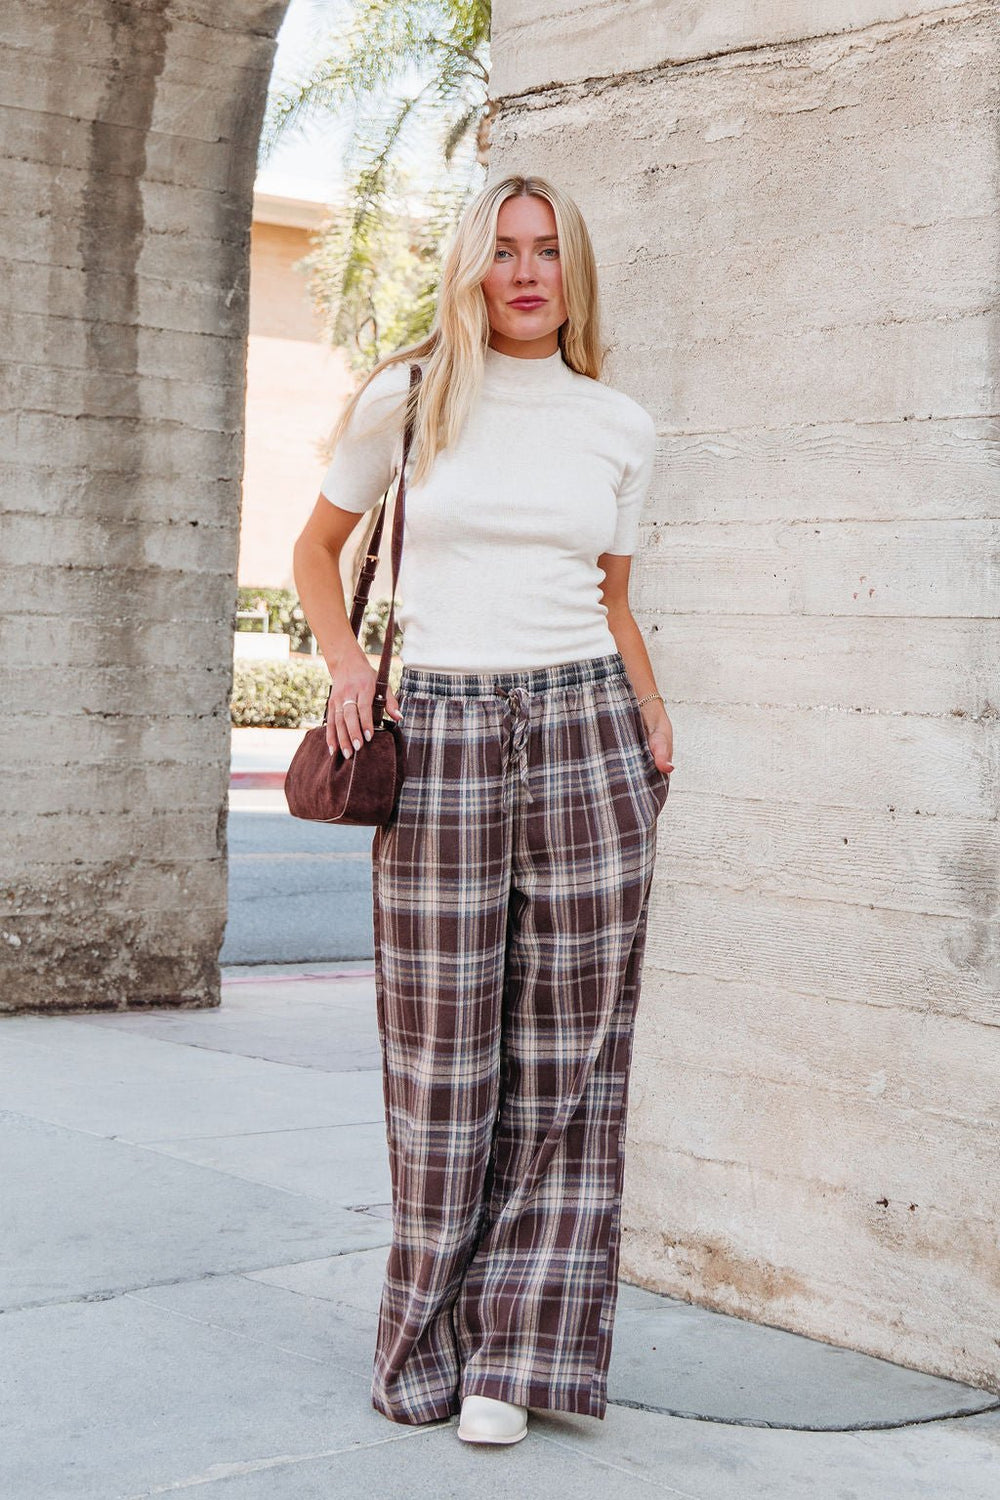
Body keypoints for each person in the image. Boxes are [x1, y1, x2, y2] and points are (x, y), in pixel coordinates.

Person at [292, 172, 674, 1448]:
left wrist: (651, 715)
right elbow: (315, 548)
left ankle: (516, 1355)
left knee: (569, 1060)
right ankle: (423, 1345)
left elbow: (608, 596)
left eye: (548, 252)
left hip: (587, 733)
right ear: (470, 266)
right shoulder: (408, 400)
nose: (525, 274)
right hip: (444, 731)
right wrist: (348, 663)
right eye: (504, 251)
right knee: (443, 1058)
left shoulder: (618, 423)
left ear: (576, 274)